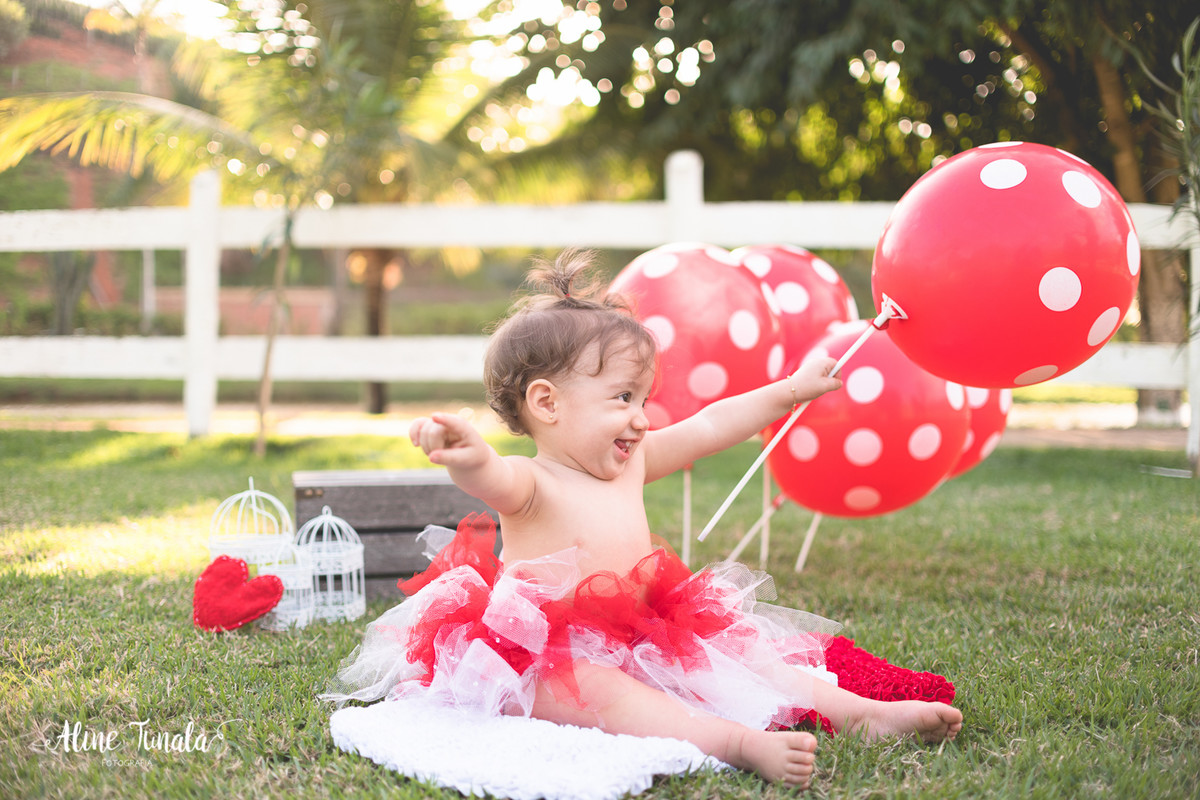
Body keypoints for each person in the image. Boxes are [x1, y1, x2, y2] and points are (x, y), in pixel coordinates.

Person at [329, 250, 962, 790]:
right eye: (622, 398)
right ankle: (733, 743)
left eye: (644, 399)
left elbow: (712, 424)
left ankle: (859, 713)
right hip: (553, 650)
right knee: (612, 700)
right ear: (546, 404)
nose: (642, 418)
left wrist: (789, 390)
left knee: (748, 657)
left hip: (647, 624)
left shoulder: (631, 463)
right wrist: (466, 453)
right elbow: (489, 475)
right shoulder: (533, 483)